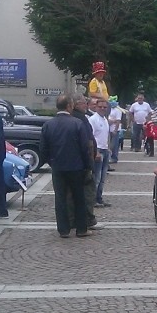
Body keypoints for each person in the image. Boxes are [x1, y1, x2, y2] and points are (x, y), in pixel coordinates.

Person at [41, 94, 91, 238]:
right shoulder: (77, 123)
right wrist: (87, 165)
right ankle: (81, 229)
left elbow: (43, 148)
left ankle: (63, 229)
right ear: (69, 106)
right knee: (79, 198)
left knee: (60, 198)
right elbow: (84, 148)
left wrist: (51, 162)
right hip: (76, 167)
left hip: (58, 167)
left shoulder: (48, 125)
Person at [70, 93, 98, 229]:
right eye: (83, 103)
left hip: (72, 163)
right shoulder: (81, 119)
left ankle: (71, 220)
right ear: (76, 104)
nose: (86, 105)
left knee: (70, 194)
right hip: (82, 163)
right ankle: (87, 220)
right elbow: (88, 143)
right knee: (87, 192)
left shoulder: (72, 118)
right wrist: (89, 163)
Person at [89, 99, 111, 207]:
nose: (102, 109)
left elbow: (106, 135)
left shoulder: (105, 119)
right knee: (96, 177)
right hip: (98, 151)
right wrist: (96, 152)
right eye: (100, 107)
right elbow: (91, 137)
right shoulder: (93, 120)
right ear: (96, 107)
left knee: (102, 178)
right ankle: (93, 200)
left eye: (104, 107)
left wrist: (108, 147)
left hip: (105, 150)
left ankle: (99, 198)